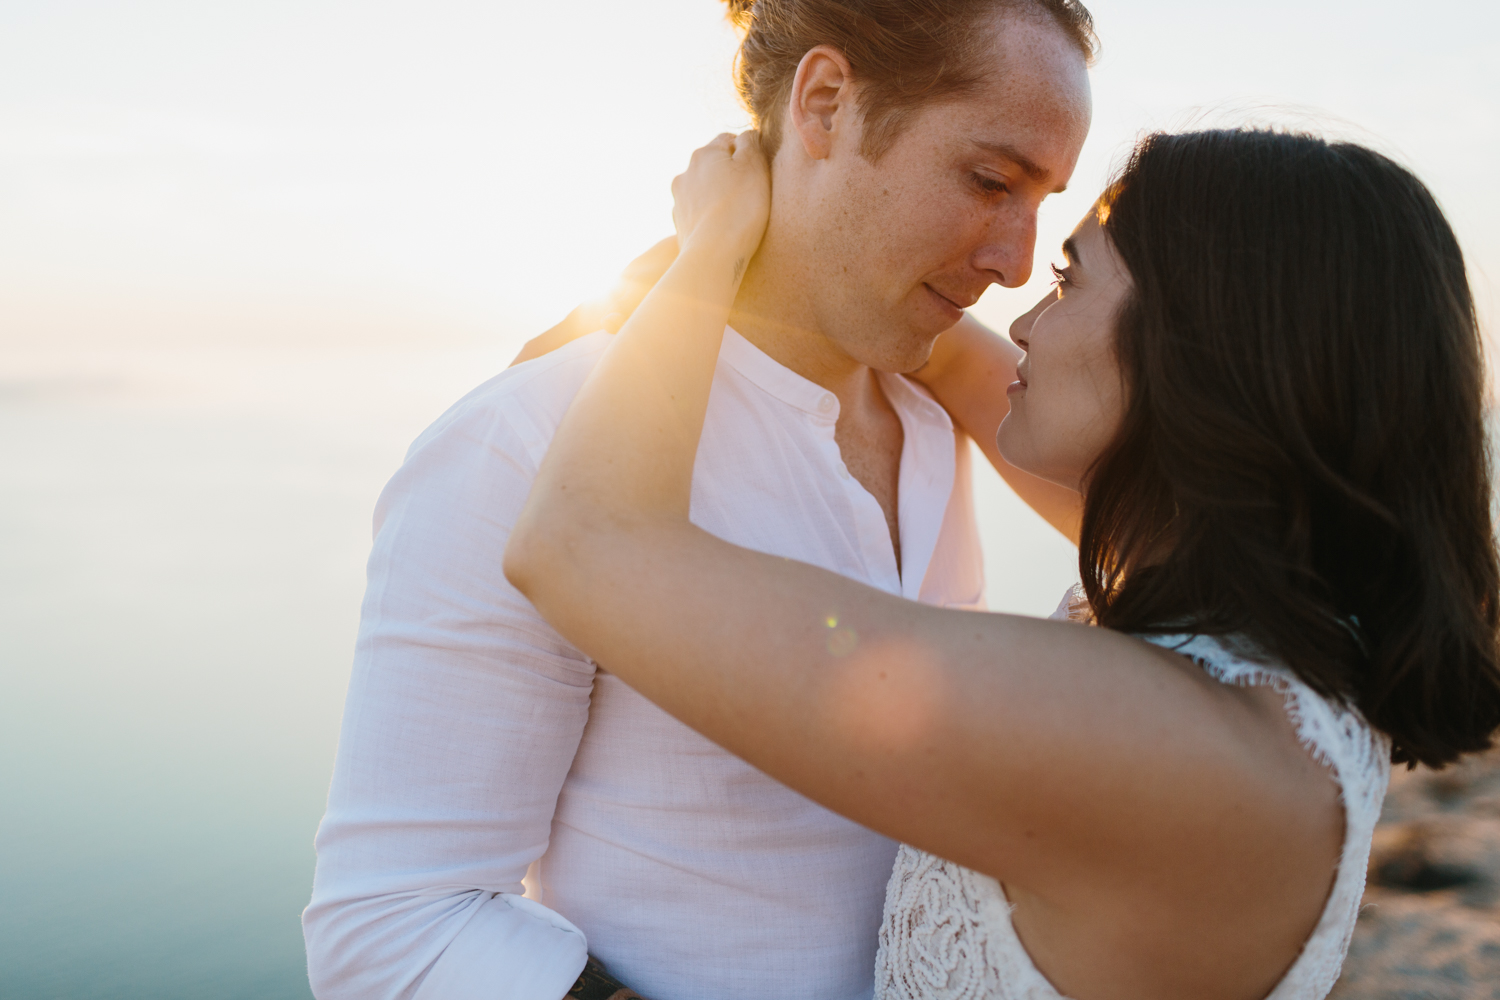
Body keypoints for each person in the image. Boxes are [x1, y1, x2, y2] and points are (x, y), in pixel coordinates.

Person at [504, 126, 1500, 1000]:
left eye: (1070, 278)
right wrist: (843, 263)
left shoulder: (1156, 744)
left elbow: (584, 543)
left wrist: (710, 246)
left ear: (1202, 351)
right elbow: (951, 361)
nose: (1023, 314)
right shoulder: (1301, 617)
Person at [302, 2, 1096, 999]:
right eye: (990, 181)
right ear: (824, 103)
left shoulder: (940, 430)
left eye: (1043, 201)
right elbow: (390, 929)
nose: (1018, 259)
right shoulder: (527, 438)